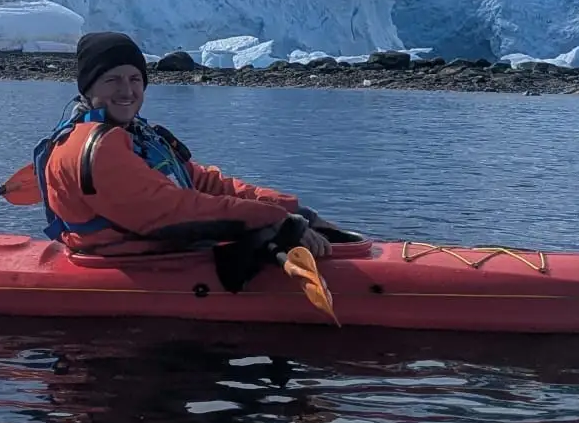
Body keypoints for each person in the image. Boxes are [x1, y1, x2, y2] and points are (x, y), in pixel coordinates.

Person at [33, 31, 348, 260]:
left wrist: (288, 207)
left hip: (162, 253)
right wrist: (271, 219)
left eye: (135, 79)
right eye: (112, 80)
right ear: (88, 89)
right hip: (130, 262)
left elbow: (202, 182)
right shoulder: (95, 147)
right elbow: (170, 212)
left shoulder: (138, 134)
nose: (127, 91)